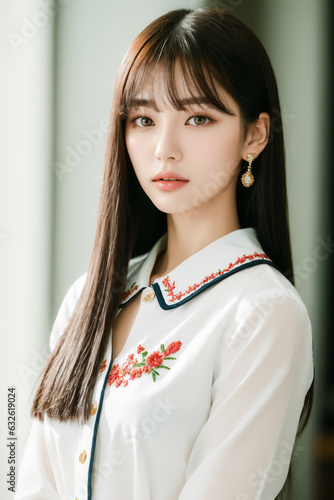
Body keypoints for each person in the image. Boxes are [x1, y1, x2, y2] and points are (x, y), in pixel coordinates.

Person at [15, 7, 314, 500]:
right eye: (144, 119)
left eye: (198, 118)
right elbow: (33, 483)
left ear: (255, 135)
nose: (164, 148)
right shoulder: (88, 298)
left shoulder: (263, 313)